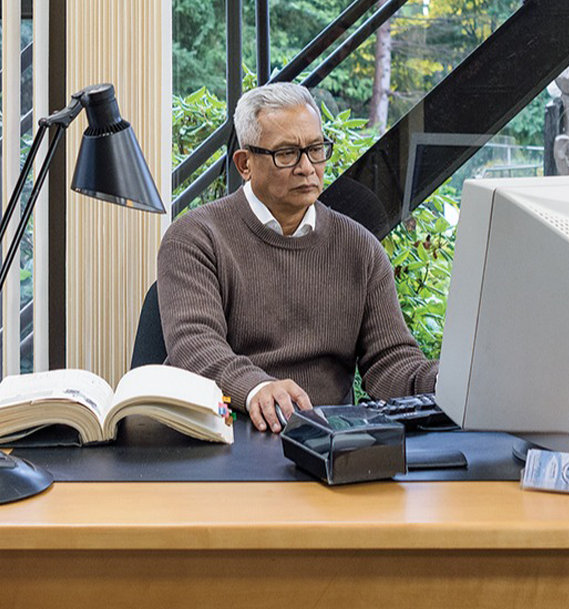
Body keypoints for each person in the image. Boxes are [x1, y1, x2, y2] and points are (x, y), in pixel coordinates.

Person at [157, 82, 438, 434]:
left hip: (324, 439)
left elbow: (390, 363)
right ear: (245, 164)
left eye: (316, 149)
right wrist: (257, 388)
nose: (307, 167)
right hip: (226, 435)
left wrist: (449, 382)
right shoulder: (196, 237)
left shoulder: (360, 248)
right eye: (287, 153)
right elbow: (194, 347)